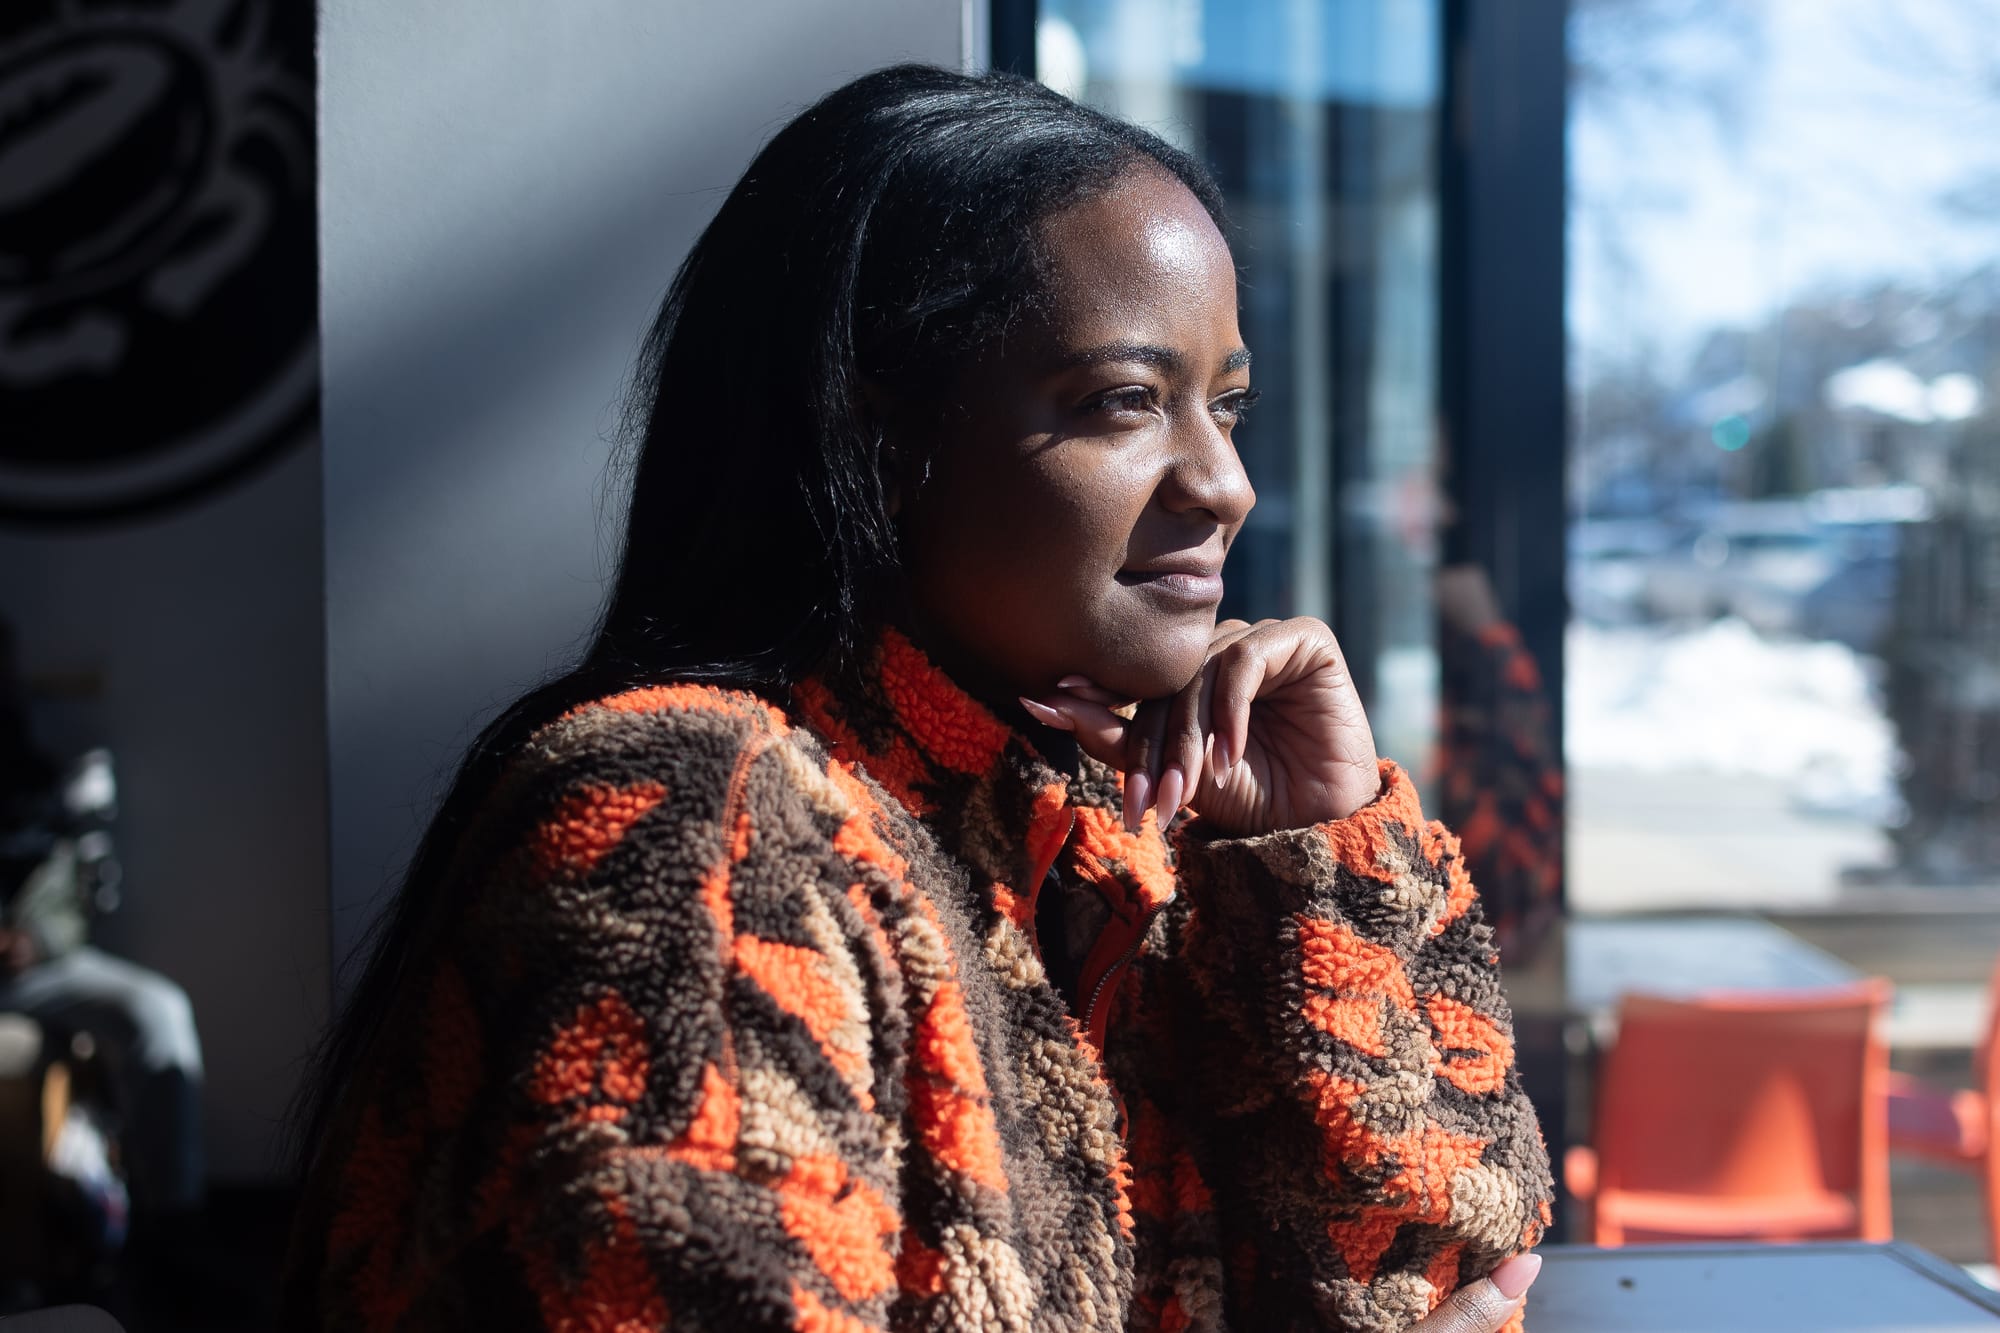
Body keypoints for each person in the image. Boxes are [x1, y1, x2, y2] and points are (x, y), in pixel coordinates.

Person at [285, 65, 1552, 1332]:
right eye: (1123, 400)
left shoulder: (1089, 834)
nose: (1223, 483)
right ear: (875, 441)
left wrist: (1313, 855)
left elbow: (1436, 1283)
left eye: (1224, 405)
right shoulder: (703, 830)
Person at [0, 622, 206, 1241]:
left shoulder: (55, 774)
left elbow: (89, 891)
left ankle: (170, 1230)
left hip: (45, 968)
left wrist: (36, 939)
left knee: (162, 1013)